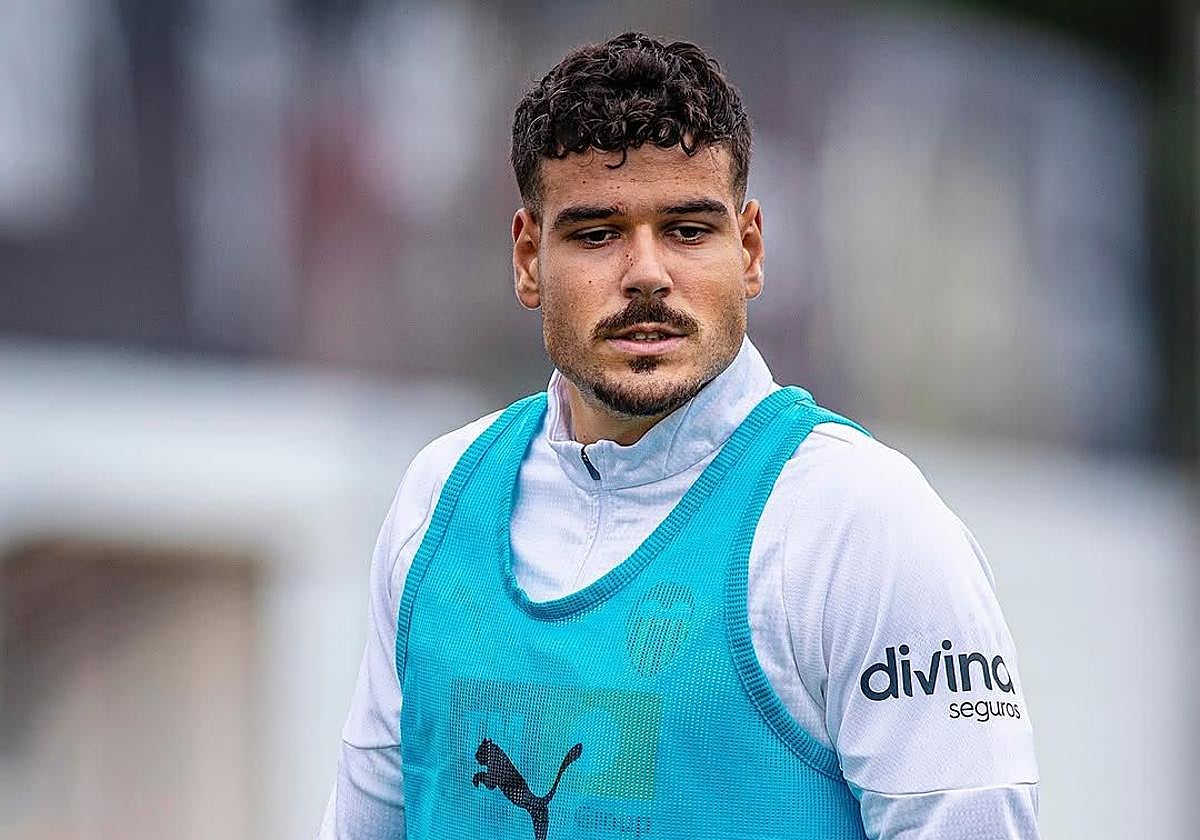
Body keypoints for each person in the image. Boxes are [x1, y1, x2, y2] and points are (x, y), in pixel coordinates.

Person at [319, 31, 1039, 840]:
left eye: (689, 230)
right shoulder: (438, 497)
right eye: (596, 234)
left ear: (751, 249)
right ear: (527, 258)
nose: (647, 273)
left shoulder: (861, 522)